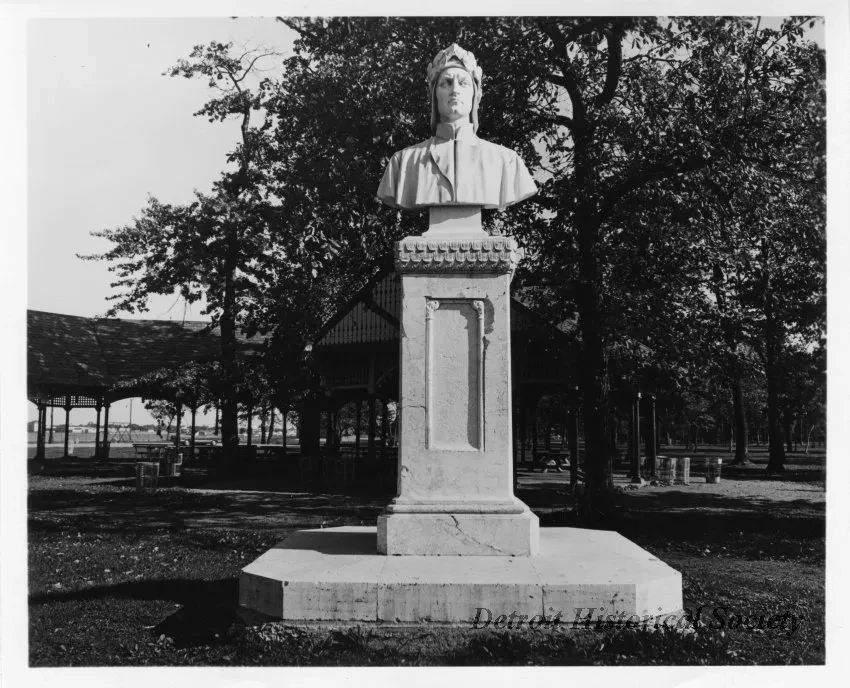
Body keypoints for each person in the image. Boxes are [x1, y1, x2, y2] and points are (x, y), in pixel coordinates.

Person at [377, 44, 537, 211]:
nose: (455, 90)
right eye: (446, 83)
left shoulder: (507, 161)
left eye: (463, 83)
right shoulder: (404, 162)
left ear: (476, 94)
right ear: (433, 95)